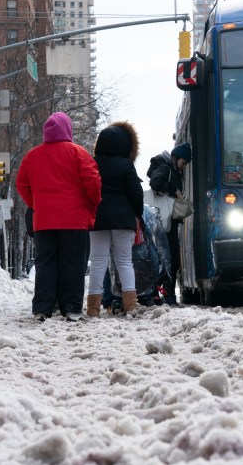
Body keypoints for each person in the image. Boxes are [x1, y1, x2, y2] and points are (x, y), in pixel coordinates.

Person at [16, 112, 101, 322]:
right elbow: (93, 183)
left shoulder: (32, 156)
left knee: (46, 263)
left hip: (44, 221)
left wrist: (36, 204)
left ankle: (42, 308)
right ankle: (71, 307)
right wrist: (91, 205)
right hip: (74, 220)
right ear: (68, 129)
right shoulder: (78, 153)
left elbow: (21, 184)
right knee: (73, 263)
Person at [86, 121, 143, 317]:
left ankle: (93, 308)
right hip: (123, 220)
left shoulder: (91, 163)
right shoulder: (126, 165)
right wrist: (137, 214)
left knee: (98, 261)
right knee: (124, 261)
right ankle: (131, 305)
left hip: (98, 218)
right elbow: (136, 193)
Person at [147, 142, 192, 305]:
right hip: (165, 222)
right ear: (177, 157)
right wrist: (173, 190)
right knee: (170, 260)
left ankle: (159, 294)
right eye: (183, 162)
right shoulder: (167, 168)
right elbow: (155, 182)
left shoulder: (170, 168)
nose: (183, 166)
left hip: (166, 221)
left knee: (168, 260)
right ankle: (165, 295)